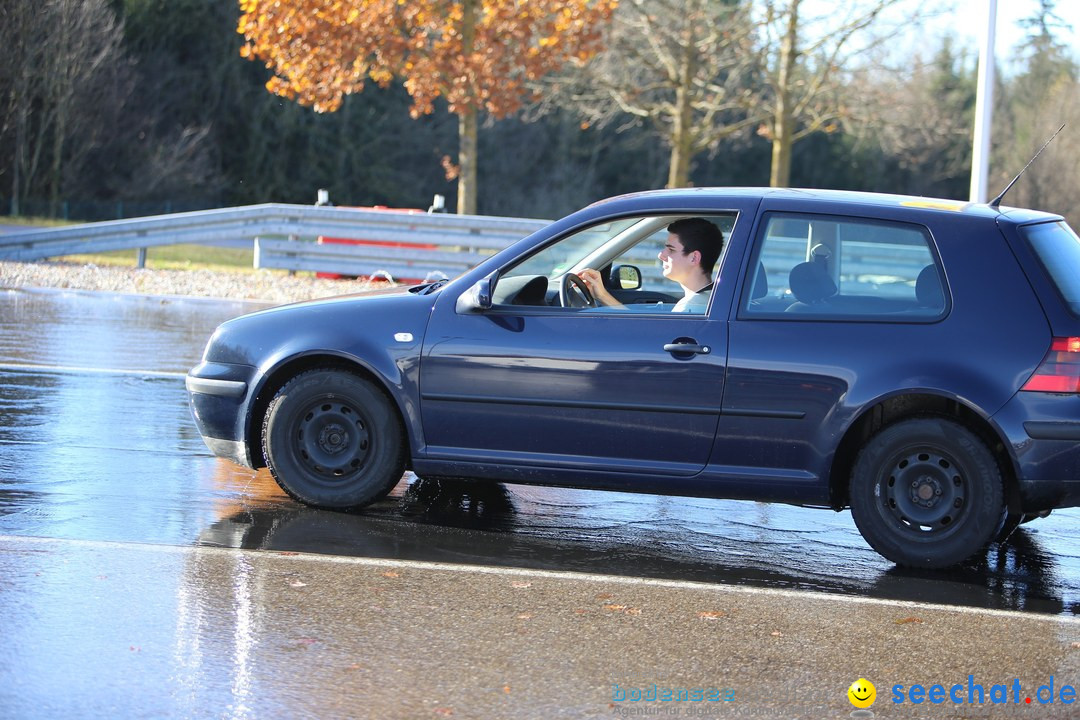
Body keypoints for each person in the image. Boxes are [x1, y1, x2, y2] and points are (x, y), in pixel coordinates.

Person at [579, 217, 724, 313]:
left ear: (694, 258)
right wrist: (603, 295)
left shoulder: (691, 307)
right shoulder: (708, 301)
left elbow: (646, 338)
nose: (661, 255)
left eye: (671, 249)